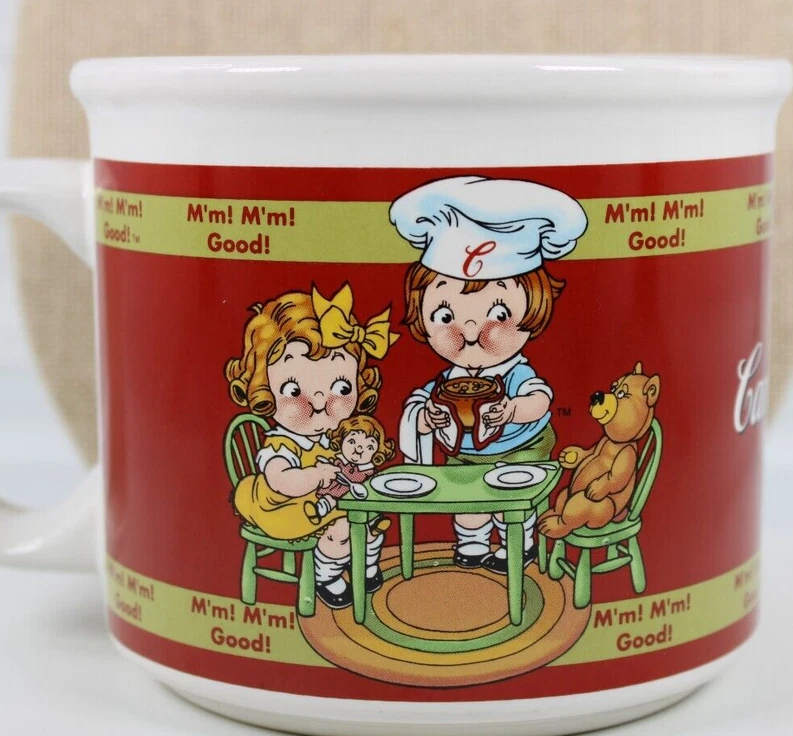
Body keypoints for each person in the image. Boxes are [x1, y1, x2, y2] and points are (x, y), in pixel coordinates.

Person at [390, 176, 587, 574]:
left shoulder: (516, 373)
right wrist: (426, 417)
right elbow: (419, 407)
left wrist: (513, 410)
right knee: (468, 507)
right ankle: (473, 544)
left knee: (511, 504)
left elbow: (540, 400)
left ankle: (520, 545)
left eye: (498, 314)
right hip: (467, 456)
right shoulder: (447, 381)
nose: (469, 329)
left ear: (534, 311)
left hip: (522, 449)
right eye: (445, 315)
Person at [226, 284, 399, 609]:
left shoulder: (332, 438)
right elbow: (282, 480)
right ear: (265, 391)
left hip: (320, 500)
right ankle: (327, 576)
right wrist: (316, 475)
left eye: (341, 387)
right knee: (341, 528)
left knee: (370, 520)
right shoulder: (281, 445)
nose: (320, 401)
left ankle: (366, 565)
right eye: (294, 390)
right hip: (284, 507)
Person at [305, 414, 395, 522]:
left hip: (359, 502)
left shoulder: (369, 472)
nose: (359, 449)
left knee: (368, 508)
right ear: (341, 440)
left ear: (376, 452)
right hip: (336, 494)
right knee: (330, 499)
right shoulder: (339, 462)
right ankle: (319, 510)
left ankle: (374, 523)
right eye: (352, 442)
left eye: (369, 447)